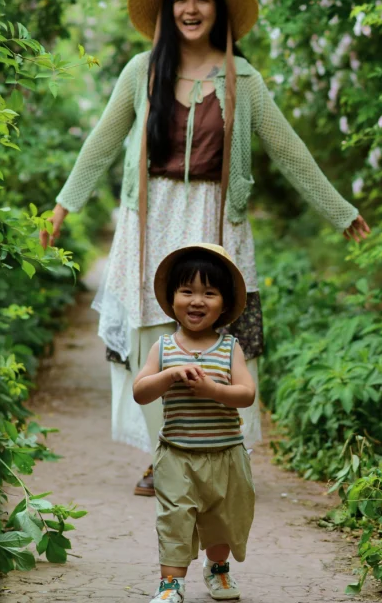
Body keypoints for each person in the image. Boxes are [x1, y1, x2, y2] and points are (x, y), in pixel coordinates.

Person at [42, 0, 369, 491]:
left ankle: (216, 452)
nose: (190, 9)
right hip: (152, 217)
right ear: (168, 9)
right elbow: (100, 144)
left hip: (217, 216)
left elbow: (289, 151)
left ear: (218, 9)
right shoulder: (140, 72)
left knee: (219, 332)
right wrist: (63, 206)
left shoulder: (244, 78)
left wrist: (340, 211)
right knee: (155, 331)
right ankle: (161, 455)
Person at [134, 244, 256, 603]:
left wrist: (212, 389)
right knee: (174, 517)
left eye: (209, 293)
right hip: (176, 454)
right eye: (187, 291)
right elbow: (141, 391)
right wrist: (169, 374)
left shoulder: (230, 347)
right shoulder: (163, 347)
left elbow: (246, 394)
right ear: (172, 298)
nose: (197, 301)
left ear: (224, 303)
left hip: (225, 455)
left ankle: (217, 568)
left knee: (221, 518)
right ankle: (170, 582)